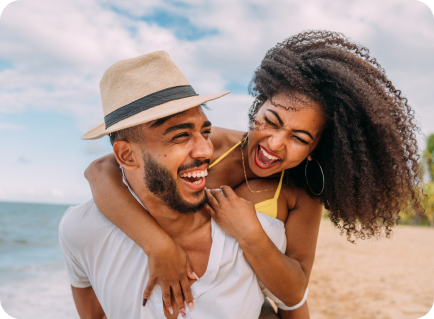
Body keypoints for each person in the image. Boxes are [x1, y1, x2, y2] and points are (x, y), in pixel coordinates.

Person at [85, 31, 423, 319]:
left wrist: (252, 235)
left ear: (318, 147)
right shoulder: (206, 143)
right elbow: (100, 170)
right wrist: (158, 246)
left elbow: (295, 292)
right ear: (258, 105)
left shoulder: (301, 195)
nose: (275, 144)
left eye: (300, 138)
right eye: (271, 121)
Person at [59, 51, 302, 319]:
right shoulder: (81, 230)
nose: (206, 150)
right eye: (181, 136)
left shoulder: (258, 232)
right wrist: (158, 245)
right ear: (127, 156)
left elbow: (293, 301)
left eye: (205, 132)